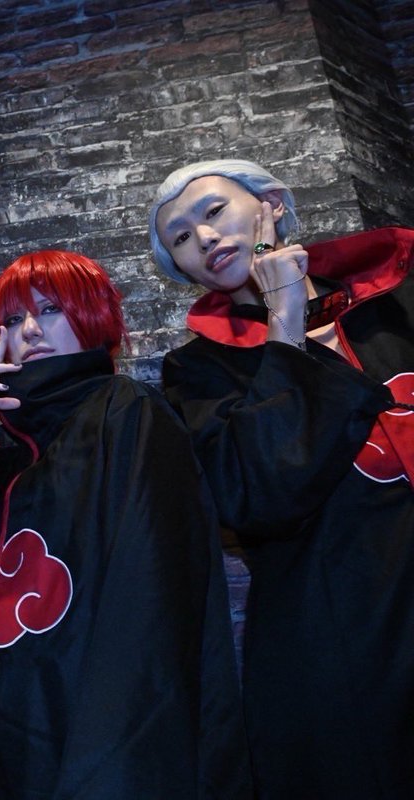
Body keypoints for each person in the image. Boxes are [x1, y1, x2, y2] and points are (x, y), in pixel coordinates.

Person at [0, 250, 251, 799]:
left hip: (94, 722)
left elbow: (152, 594)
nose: (29, 330)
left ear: (92, 315)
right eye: (12, 319)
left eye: (49, 309)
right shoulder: (3, 444)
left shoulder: (127, 411)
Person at [149, 159, 414, 798]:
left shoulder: (396, 301)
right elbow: (259, 495)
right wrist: (285, 317)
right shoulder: (198, 372)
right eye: (180, 238)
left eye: (214, 211)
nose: (203, 237)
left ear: (270, 203)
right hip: (343, 639)